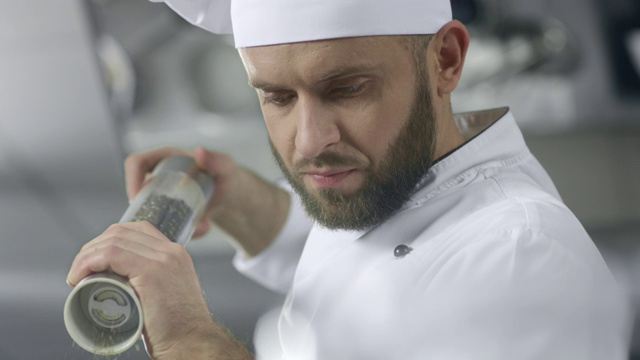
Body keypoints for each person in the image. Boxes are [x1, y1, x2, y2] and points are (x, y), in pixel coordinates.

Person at [67, 0, 631, 359]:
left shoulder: (519, 264)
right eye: (278, 97)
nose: (309, 140)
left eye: (346, 89)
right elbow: (359, 272)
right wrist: (240, 199)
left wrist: (190, 340)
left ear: (445, 60)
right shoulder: (397, 176)